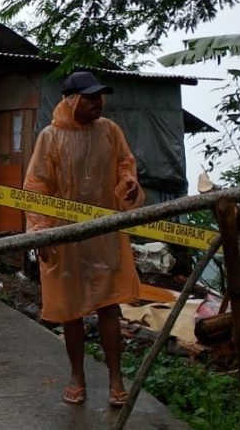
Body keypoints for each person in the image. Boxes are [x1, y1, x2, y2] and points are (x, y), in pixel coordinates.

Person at [24, 71, 144, 409]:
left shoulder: (110, 131)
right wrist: (41, 230)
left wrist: (129, 183)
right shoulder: (50, 137)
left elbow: (125, 164)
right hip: (65, 237)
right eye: (89, 97)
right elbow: (37, 186)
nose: (97, 103)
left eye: (99, 97)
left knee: (109, 306)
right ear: (71, 101)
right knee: (70, 310)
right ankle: (77, 376)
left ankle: (116, 379)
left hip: (103, 234)